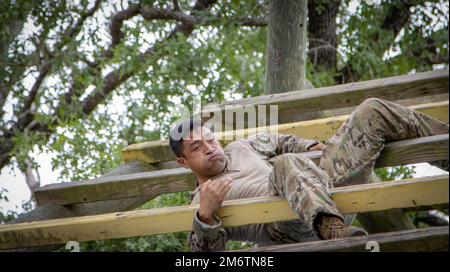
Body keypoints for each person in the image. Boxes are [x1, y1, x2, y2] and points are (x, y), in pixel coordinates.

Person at [169, 98, 449, 252]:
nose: (210, 148)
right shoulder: (201, 200)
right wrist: (205, 219)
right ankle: (332, 231)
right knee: (285, 164)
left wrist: (307, 145)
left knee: (371, 110)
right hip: (289, 226)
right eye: (197, 147)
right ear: (184, 162)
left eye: (211, 140)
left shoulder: (241, 147)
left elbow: (279, 141)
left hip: (327, 187)